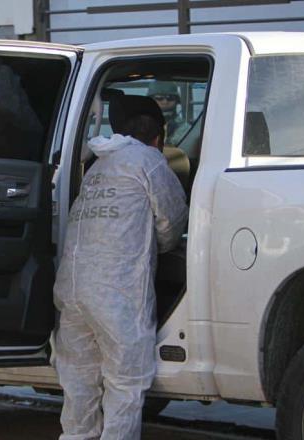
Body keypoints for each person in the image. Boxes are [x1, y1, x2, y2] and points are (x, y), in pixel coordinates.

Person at [53, 95, 188, 440]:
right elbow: (171, 224)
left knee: (79, 384)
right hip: (117, 294)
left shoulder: (97, 167)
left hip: (71, 289)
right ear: (159, 137)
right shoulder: (150, 162)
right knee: (125, 385)